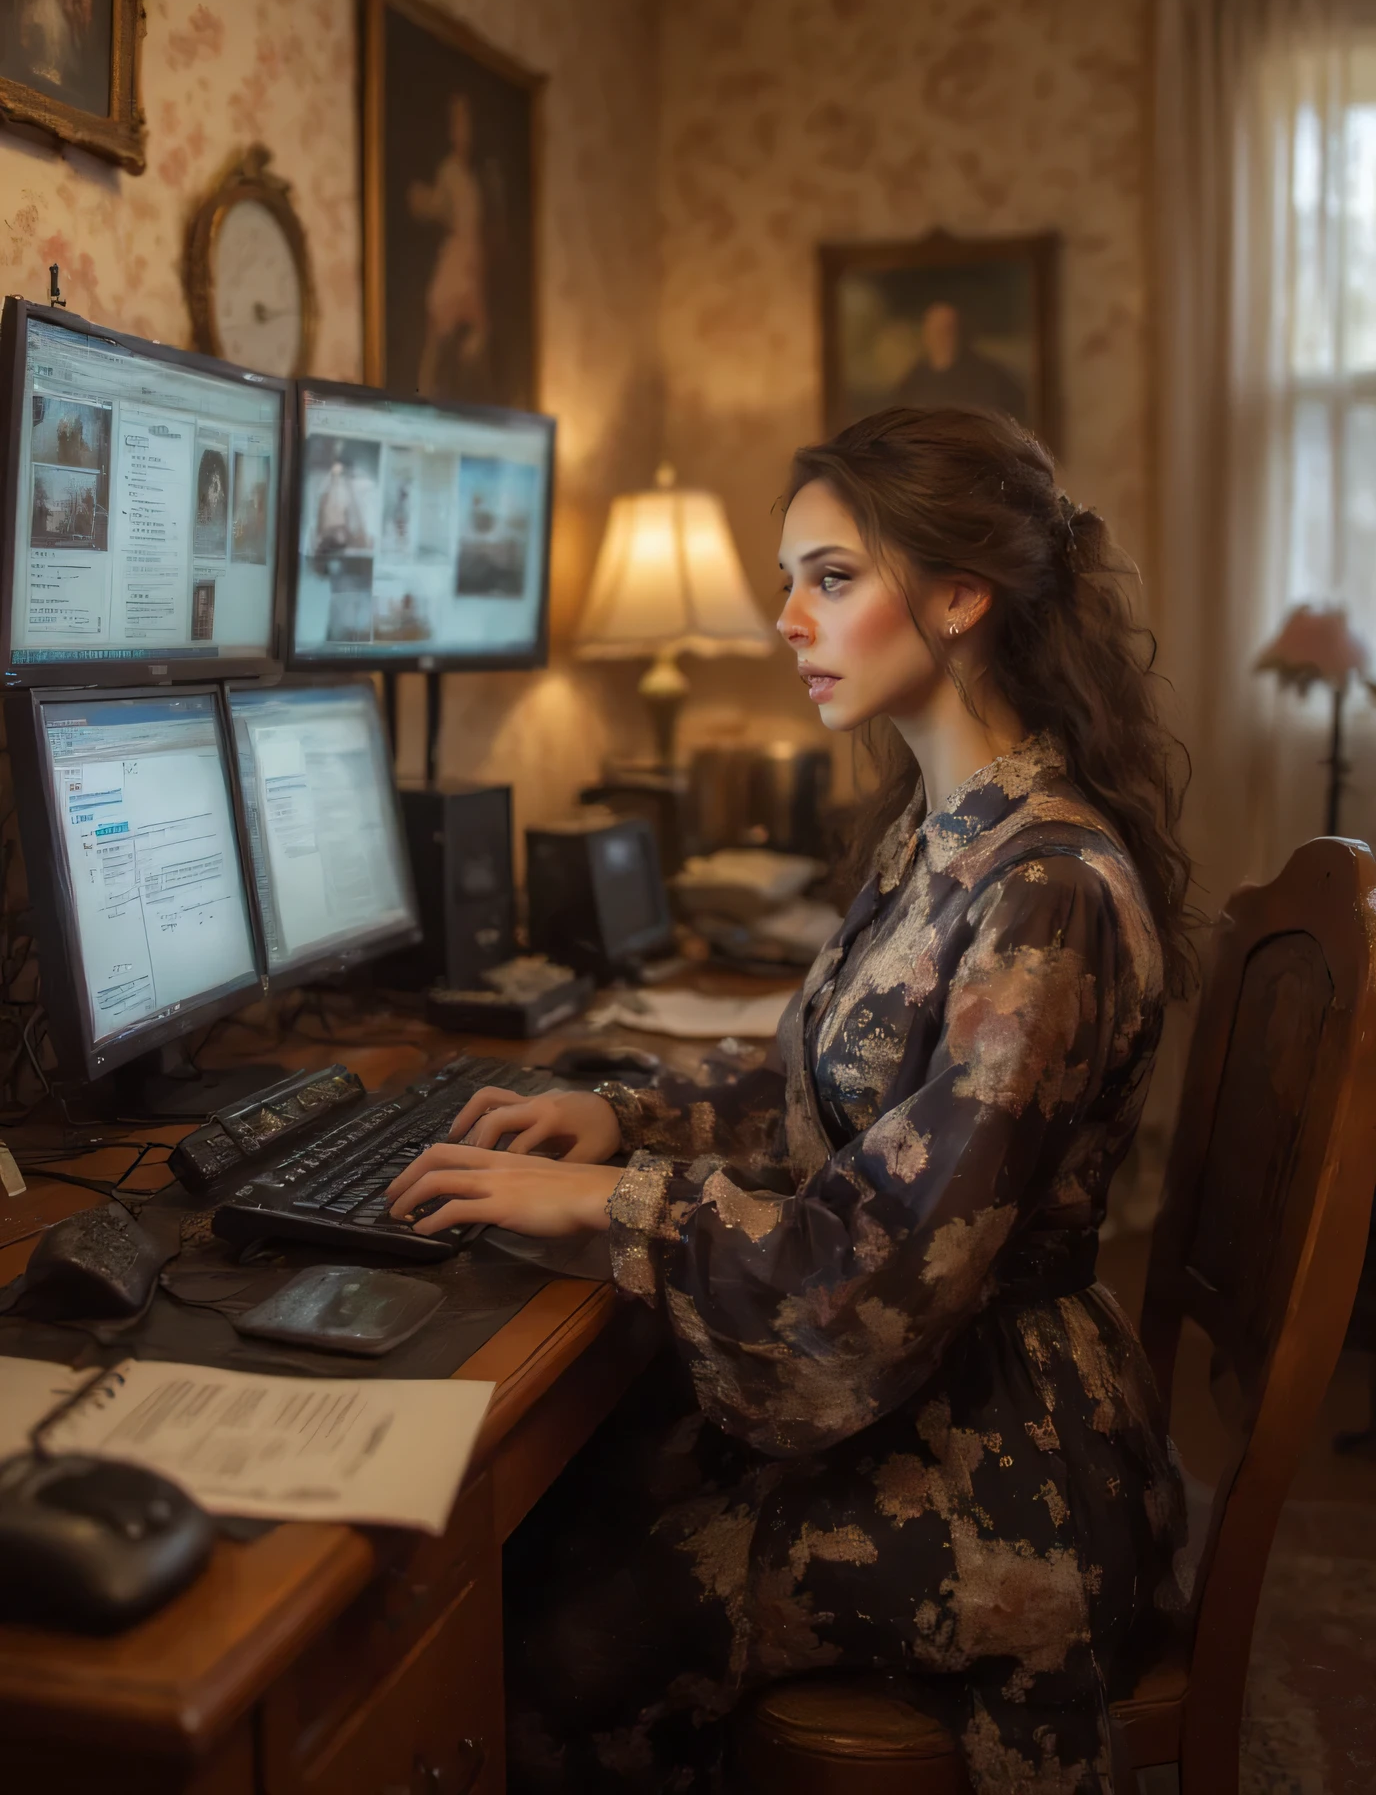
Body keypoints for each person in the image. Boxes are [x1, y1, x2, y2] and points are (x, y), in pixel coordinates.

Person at [386, 406, 1193, 1794]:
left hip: (1001, 1467)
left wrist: (611, 1206)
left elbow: (866, 1286)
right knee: (558, 1513)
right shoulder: (940, 830)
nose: (786, 619)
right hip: (943, 1392)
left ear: (956, 596)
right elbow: (821, 1090)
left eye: (830, 578)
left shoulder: (1043, 893)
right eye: (788, 580)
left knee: (553, 1631)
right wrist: (622, 1117)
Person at [409, 92, 490, 397]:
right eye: (458, 124)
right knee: (438, 330)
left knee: (473, 342)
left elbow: (477, 229)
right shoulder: (449, 171)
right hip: (456, 260)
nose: (463, 132)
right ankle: (423, 394)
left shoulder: (474, 180)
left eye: (467, 124)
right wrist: (423, 201)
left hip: (471, 262)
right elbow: (439, 207)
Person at [891, 300, 1027, 419]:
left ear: (961, 333)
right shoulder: (914, 380)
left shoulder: (991, 377)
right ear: (926, 335)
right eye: (935, 330)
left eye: (948, 329)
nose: (941, 337)